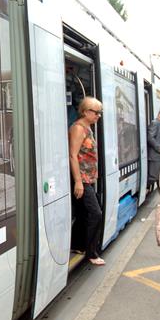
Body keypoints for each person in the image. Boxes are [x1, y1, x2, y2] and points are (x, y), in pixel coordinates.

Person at [69, 96, 105, 266]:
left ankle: (77, 245)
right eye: (95, 112)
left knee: (84, 213)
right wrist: (78, 181)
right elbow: (73, 155)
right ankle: (91, 252)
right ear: (84, 111)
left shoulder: (88, 128)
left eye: (100, 112)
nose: (98, 115)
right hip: (81, 180)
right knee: (95, 214)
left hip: (87, 179)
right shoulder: (78, 128)